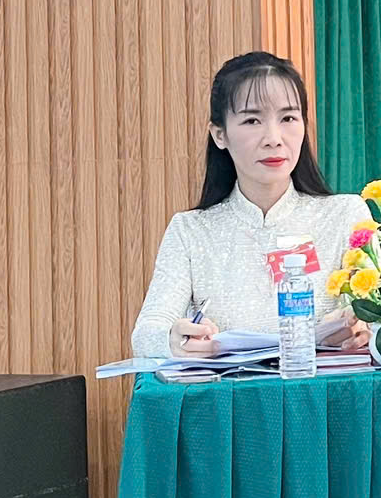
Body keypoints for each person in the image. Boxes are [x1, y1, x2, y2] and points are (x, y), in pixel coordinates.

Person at [130, 51, 368, 360]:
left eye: (288, 118)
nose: (274, 138)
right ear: (220, 135)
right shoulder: (190, 231)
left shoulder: (346, 215)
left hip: (321, 387)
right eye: (252, 120)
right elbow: (146, 333)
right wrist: (173, 341)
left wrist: (363, 325)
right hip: (229, 389)